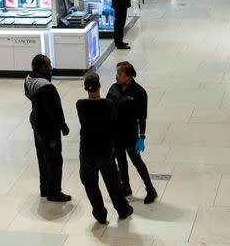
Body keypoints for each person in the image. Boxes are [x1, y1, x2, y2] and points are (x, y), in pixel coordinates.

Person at [76, 73, 133, 224]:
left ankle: (100, 214)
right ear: (99, 86)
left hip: (86, 151)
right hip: (104, 150)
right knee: (113, 182)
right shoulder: (108, 105)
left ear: (85, 89)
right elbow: (113, 122)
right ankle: (122, 209)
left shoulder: (80, 104)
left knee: (90, 183)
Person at [107, 61, 157, 204]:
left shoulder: (139, 93)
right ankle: (126, 187)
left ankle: (150, 189)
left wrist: (142, 136)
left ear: (129, 75)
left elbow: (142, 117)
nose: (116, 76)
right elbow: (107, 108)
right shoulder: (113, 88)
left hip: (130, 134)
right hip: (115, 134)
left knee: (136, 161)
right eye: (116, 73)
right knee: (121, 162)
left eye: (120, 74)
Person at [24, 54, 71, 202]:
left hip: (36, 124)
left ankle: (44, 188)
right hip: (48, 129)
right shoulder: (47, 87)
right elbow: (55, 110)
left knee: (42, 158)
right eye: (49, 65)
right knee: (54, 160)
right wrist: (63, 126)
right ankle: (54, 192)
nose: (51, 68)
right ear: (42, 68)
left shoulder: (28, 79)